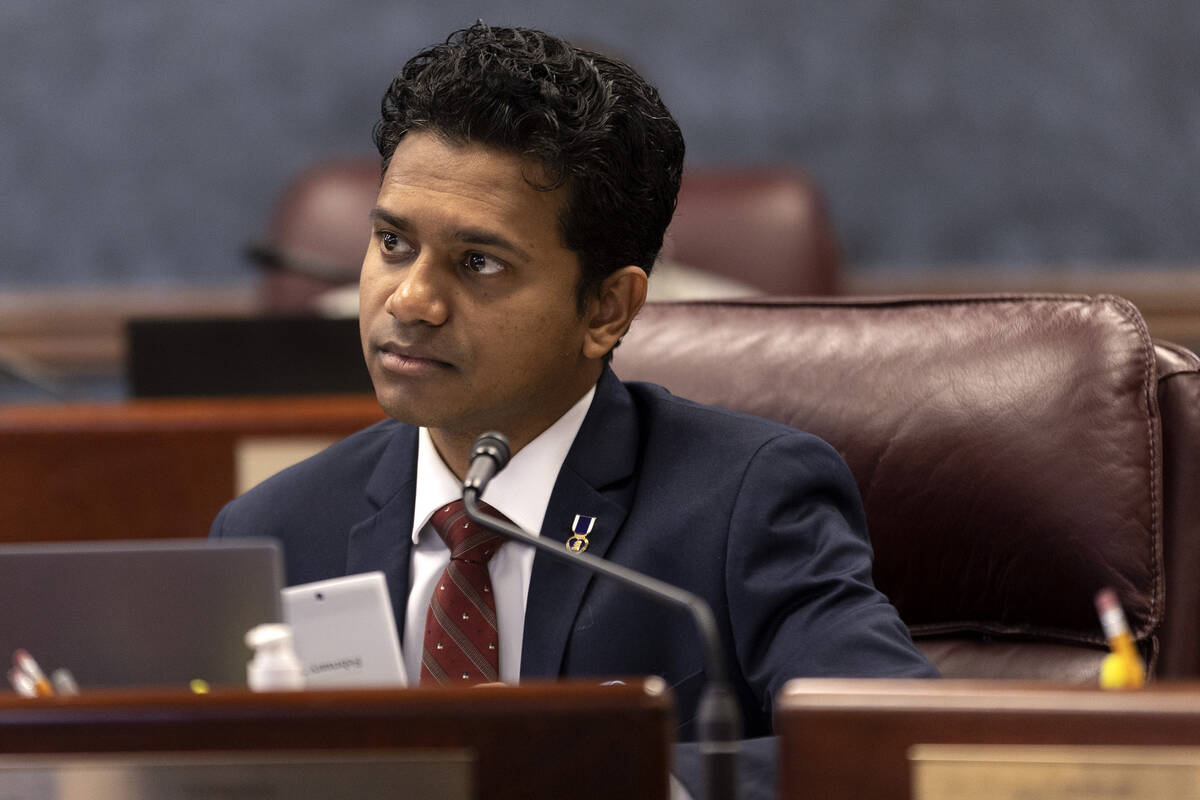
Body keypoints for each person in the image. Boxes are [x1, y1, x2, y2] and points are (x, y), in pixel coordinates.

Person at [211, 22, 936, 797]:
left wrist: (601, 778)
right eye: (392, 243)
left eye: (479, 263)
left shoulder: (744, 503)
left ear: (607, 309)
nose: (411, 300)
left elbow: (902, 746)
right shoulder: (276, 531)